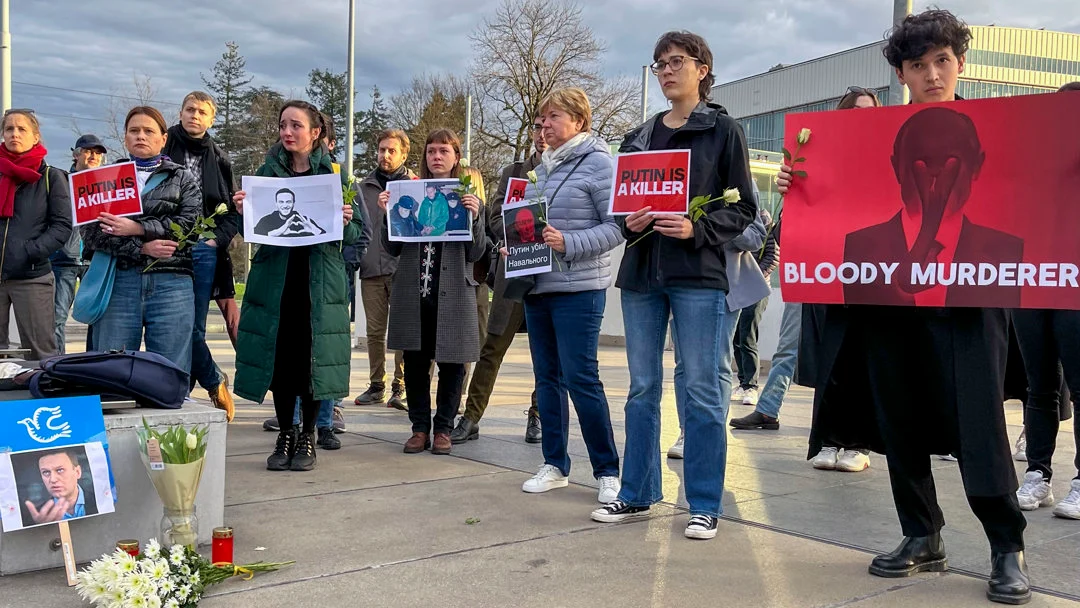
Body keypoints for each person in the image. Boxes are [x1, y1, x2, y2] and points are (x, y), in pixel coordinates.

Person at [790, 12, 1030, 604]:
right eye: (917, 66)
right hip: (888, 295)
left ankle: (1007, 546)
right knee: (900, 421)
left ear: (961, 64)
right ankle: (922, 535)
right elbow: (833, 206)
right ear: (901, 73)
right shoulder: (874, 146)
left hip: (973, 299)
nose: (931, 75)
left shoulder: (1003, 132)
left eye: (941, 61)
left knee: (981, 424)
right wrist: (801, 184)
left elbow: (1037, 191)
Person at [591, 32, 755, 540]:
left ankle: (704, 502)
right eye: (659, 63)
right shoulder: (637, 136)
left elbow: (745, 209)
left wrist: (696, 229)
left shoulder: (724, 131)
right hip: (642, 274)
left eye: (676, 62)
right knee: (642, 388)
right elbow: (619, 211)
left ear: (702, 69)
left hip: (698, 275)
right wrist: (629, 221)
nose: (666, 70)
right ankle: (637, 492)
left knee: (702, 388)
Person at [730, 87, 883, 475]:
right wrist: (790, 189)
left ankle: (857, 443)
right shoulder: (816, 160)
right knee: (823, 355)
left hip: (868, 270)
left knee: (859, 357)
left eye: (870, 112)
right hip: (823, 269)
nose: (861, 119)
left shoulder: (885, 161)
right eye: (854, 112)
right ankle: (829, 437)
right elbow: (794, 221)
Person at [233, 100, 366, 473]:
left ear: (316, 132)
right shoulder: (266, 172)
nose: (287, 133)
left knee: (311, 360)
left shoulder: (338, 176)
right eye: (282, 126)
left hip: (318, 284)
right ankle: (286, 432)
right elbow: (253, 230)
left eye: (295, 126)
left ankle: (308, 434)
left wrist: (347, 219)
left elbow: (356, 235)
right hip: (276, 282)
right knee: (281, 361)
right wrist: (244, 210)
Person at [514, 88, 623, 504]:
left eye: (553, 117)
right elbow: (528, 225)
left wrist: (569, 242)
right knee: (547, 380)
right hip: (538, 287)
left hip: (579, 288)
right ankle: (555, 464)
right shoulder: (542, 168)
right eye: (541, 121)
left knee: (582, 379)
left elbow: (617, 227)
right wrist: (516, 245)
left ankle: (608, 471)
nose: (544, 126)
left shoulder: (599, 165)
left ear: (579, 120)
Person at [382, 128, 485, 456]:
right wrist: (389, 214)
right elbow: (391, 247)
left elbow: (478, 252)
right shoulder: (408, 195)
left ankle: (443, 428)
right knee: (414, 361)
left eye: (444, 151)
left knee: (453, 363)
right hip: (415, 293)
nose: (437, 157)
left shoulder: (468, 197)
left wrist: (476, 217)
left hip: (453, 293)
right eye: (431, 152)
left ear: (456, 157)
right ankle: (419, 428)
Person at [450, 118, 547, 445]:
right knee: (492, 347)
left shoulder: (568, 172)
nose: (542, 133)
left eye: (549, 125)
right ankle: (472, 417)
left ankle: (539, 413)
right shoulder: (513, 172)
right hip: (515, 268)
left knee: (545, 353)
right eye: (536, 126)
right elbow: (494, 217)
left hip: (553, 276)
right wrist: (509, 235)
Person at [1010, 80, 1080, 521]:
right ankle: (1038, 474)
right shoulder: (1033, 166)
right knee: (1039, 388)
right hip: (1033, 282)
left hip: (1074, 285)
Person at [82, 106, 198, 372]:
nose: (141, 136)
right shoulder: (102, 179)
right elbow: (91, 234)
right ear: (125, 138)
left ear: (163, 138)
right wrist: (142, 247)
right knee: (111, 369)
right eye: (134, 131)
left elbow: (188, 227)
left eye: (148, 131)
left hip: (172, 283)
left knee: (170, 372)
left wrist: (136, 228)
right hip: (119, 281)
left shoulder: (182, 178)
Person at [161, 90, 239, 422]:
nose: (195, 115)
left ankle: (183, 393)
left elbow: (234, 211)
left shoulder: (219, 158)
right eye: (190, 109)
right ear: (180, 113)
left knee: (194, 326)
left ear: (211, 119)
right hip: (163, 244)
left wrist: (215, 241)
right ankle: (212, 378)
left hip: (203, 247)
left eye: (202, 111)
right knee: (171, 323)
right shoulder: (162, 148)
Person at [0, 109, 72, 361]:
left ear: (35, 137)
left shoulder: (51, 177)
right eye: (9, 129)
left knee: (39, 355)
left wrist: (31, 251)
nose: (14, 134)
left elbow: (62, 225)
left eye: (22, 129)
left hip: (31, 277)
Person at [354, 129, 413, 409]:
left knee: (401, 331)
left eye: (391, 150)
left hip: (402, 269)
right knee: (375, 332)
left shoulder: (414, 185)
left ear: (404, 154)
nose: (385, 155)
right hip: (371, 269)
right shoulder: (364, 187)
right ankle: (376, 384)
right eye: (381, 150)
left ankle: (400, 386)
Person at [52, 134, 104, 354]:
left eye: (98, 152)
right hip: (64, 259)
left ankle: (93, 366)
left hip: (95, 259)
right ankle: (56, 365)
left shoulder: (108, 185)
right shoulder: (61, 182)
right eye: (87, 151)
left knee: (99, 317)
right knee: (56, 318)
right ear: (76, 154)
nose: (93, 156)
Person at [730, 207, 779, 406]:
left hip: (756, 288)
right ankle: (743, 382)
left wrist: (754, 275)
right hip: (734, 287)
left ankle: (751, 386)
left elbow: (773, 255)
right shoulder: (733, 213)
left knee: (747, 334)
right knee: (735, 337)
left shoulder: (764, 219)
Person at [22, 448, 97, 525]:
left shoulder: (99, 501)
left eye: (60, 470)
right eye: (46, 472)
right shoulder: (36, 517)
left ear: (77, 472)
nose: (53, 479)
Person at [254, 187, 326, 237]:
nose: (285, 205)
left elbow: (329, 241)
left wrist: (314, 229)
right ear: (276, 203)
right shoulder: (267, 220)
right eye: (281, 202)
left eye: (288, 202)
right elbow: (252, 236)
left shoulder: (304, 221)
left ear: (293, 203)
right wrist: (279, 231)